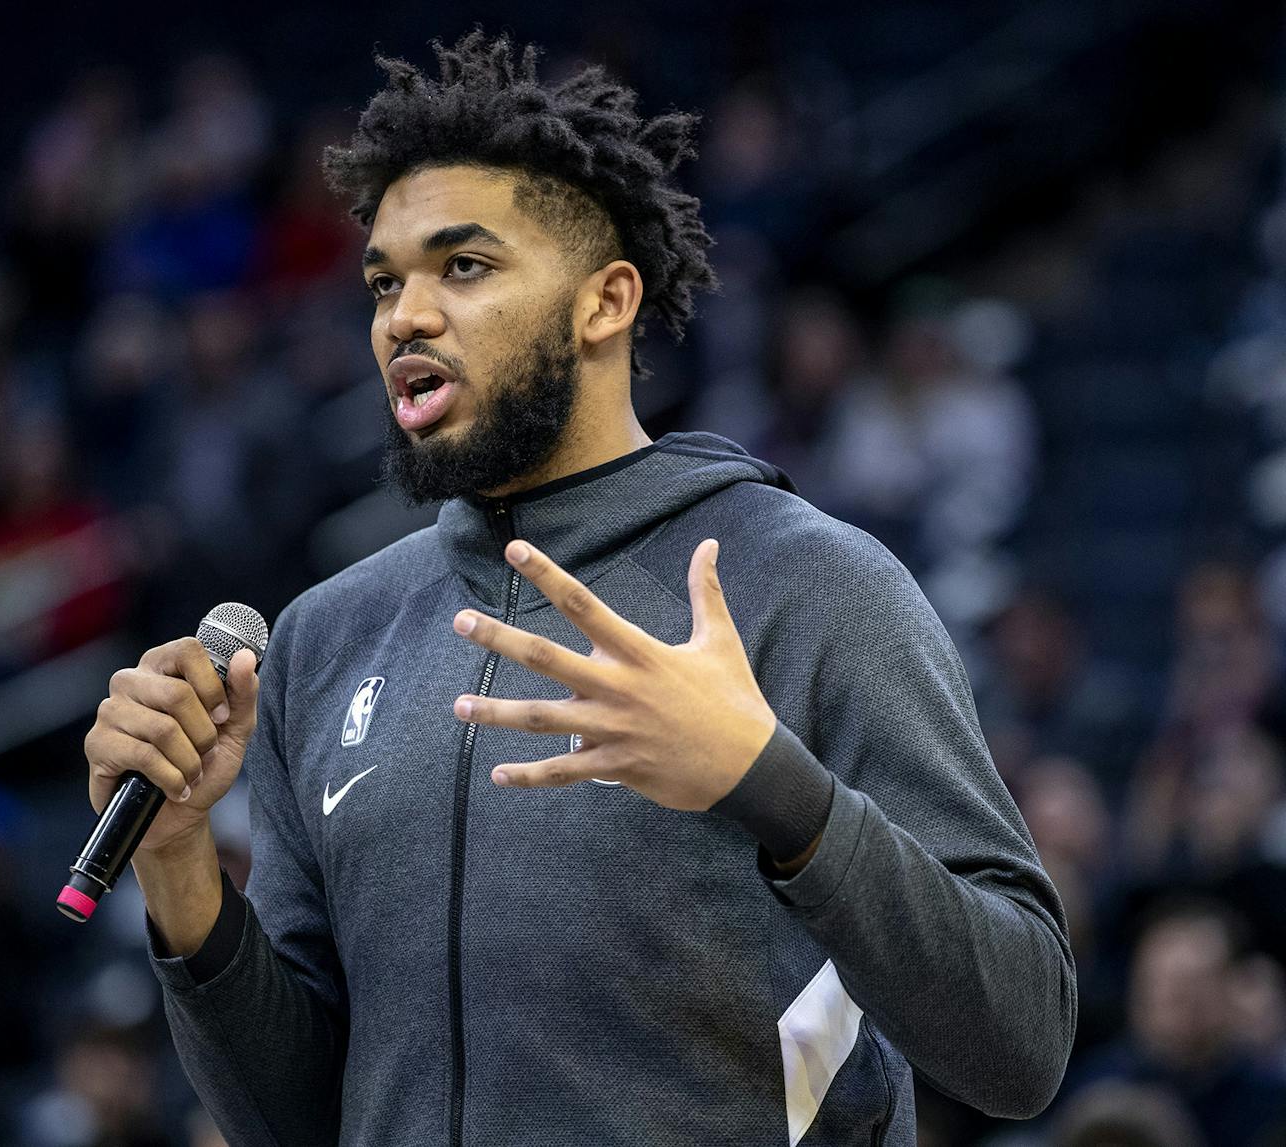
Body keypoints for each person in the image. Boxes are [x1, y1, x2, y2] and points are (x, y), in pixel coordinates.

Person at [82, 32, 1075, 1146]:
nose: (403, 315)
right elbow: (302, 1119)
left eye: (463, 266)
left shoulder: (806, 582)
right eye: (384, 282)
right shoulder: (323, 641)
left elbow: (1021, 1042)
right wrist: (176, 866)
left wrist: (772, 787)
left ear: (605, 303)